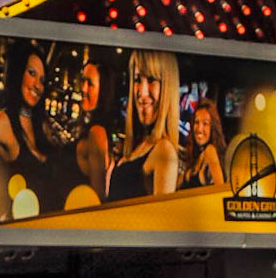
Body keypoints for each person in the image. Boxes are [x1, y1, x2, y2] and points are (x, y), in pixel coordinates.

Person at [0, 41, 86, 223]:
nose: (37, 85)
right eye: (32, 73)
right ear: (18, 73)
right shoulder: (3, 121)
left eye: (42, 80)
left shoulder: (42, 126)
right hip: (18, 238)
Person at [106, 49, 179, 201]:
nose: (142, 92)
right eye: (138, 79)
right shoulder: (141, 143)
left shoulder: (164, 151)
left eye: (152, 80)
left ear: (167, 87)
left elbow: (161, 223)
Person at [74, 57, 112, 201]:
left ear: (103, 91)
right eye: (83, 80)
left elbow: (98, 196)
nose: (83, 88)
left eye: (90, 84)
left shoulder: (97, 133)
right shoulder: (90, 128)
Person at [181, 98, 226, 188]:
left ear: (212, 128)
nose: (199, 129)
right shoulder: (195, 156)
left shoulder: (210, 151)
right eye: (197, 122)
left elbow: (220, 190)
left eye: (205, 123)